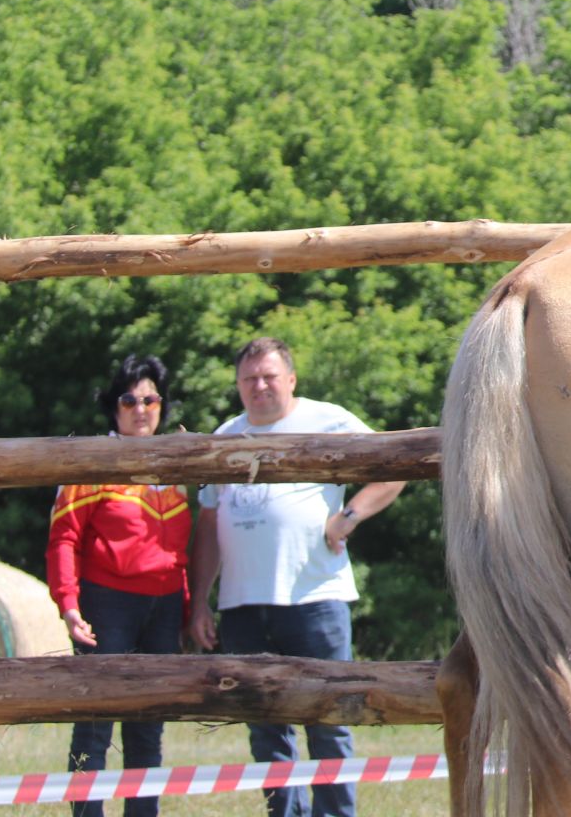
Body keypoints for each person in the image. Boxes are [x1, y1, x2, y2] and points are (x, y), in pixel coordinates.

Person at [187, 339, 406, 817]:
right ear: (238, 386)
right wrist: (200, 600)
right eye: (249, 379)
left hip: (314, 598)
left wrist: (349, 516)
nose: (259, 386)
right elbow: (207, 525)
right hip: (242, 605)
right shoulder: (225, 435)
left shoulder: (327, 420)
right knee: (265, 726)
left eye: (269, 376)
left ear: (290, 379)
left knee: (329, 717)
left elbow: (394, 468)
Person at [47, 355, 191, 817]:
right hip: (106, 605)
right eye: (129, 399)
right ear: (114, 407)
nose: (141, 408)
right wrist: (68, 604)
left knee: (148, 726)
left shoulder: (177, 465)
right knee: (95, 723)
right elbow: (63, 539)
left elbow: (185, 549)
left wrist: (189, 609)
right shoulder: (91, 463)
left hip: (164, 607)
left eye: (150, 399)